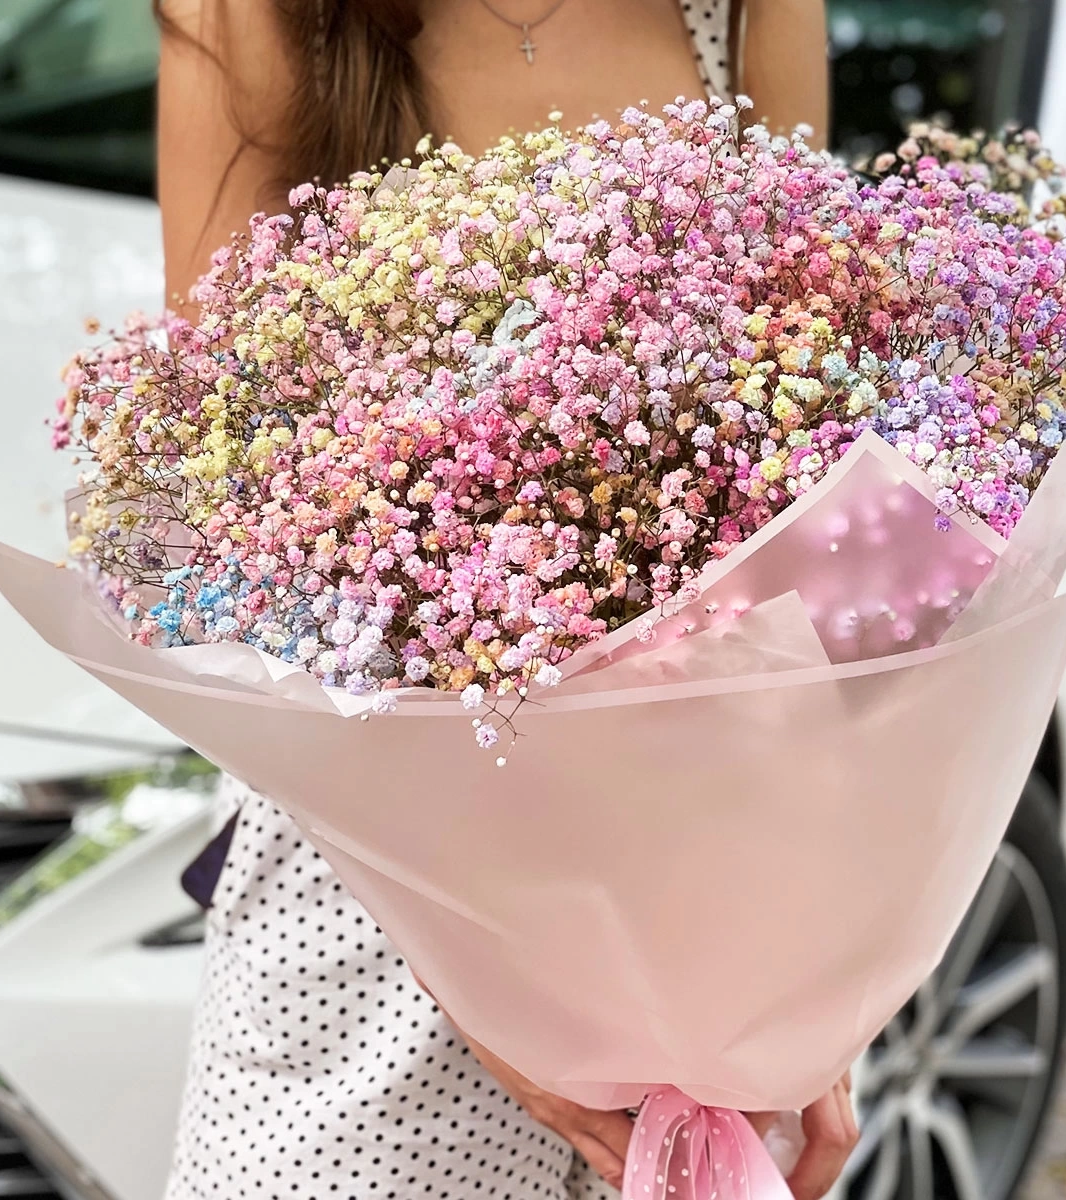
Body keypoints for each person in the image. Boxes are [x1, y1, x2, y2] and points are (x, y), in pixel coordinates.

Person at [156, 3, 853, 1197]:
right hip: (372, 916)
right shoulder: (257, 15)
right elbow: (220, 511)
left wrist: (816, 962)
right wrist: (483, 981)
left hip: (693, 919)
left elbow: (815, 461)